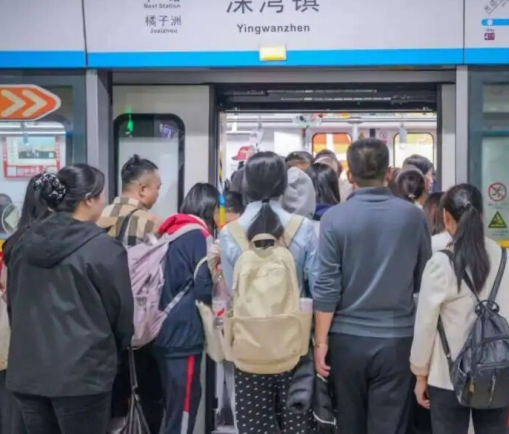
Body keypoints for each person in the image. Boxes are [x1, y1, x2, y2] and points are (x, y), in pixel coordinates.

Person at [312, 138, 432, 434]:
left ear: (349, 175)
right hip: (398, 340)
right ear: (389, 173)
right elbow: (424, 280)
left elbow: (326, 287)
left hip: (346, 341)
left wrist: (321, 342)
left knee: (349, 424)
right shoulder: (413, 217)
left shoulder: (333, 218)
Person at [4, 167, 134, 434]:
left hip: (28, 372)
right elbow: (121, 316)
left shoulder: (22, 244)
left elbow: (13, 306)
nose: (104, 201)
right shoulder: (104, 249)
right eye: (101, 195)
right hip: (83, 375)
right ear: (88, 200)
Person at [411, 184, 509, 434]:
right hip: (497, 373)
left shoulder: (440, 264)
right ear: (483, 216)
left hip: (447, 376)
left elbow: (425, 327)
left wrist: (420, 374)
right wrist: (496, 350)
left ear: (445, 218)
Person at [219, 151, 319, 434]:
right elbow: (316, 288)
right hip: (295, 344)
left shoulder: (230, 232)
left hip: (249, 345)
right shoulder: (303, 228)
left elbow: (232, 288)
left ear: (245, 185)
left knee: (254, 426)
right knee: (297, 425)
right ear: (283, 185)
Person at [97, 154, 164, 433]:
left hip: (99, 323)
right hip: (138, 325)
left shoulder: (96, 217)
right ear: (143, 189)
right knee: (145, 392)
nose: (158, 193)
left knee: (108, 398)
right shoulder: (151, 223)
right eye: (157, 187)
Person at [155, 183, 218, 434]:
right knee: (184, 405)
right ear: (210, 208)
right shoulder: (198, 236)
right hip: (183, 334)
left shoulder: (171, 231)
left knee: (172, 403)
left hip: (160, 327)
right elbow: (203, 284)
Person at [0, 176, 49, 434]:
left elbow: (2, 290)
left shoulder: (14, 242)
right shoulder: (52, 245)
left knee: (13, 415)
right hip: (46, 345)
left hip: (14, 342)